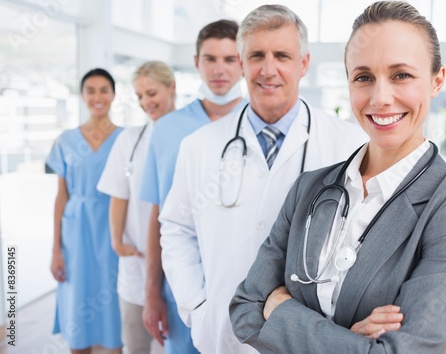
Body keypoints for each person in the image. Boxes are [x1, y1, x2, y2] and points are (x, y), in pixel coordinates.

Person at [229, 2, 446, 353]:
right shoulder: (309, 189)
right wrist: (348, 340)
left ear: (437, 81)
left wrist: (281, 310)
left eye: (401, 75)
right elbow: (245, 310)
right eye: (363, 77)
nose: (380, 98)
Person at [159, 5, 367, 354]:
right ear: (242, 63)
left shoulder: (348, 144)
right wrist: (197, 305)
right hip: (222, 334)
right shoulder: (198, 146)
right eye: (256, 55)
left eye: (282, 55)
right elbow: (177, 229)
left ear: (303, 63)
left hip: (308, 337)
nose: (268, 70)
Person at [139, 20, 246, 353]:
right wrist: (151, 293)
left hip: (246, 289)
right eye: (210, 59)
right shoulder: (169, 128)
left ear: (243, 62)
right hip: (181, 287)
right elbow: (160, 216)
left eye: (230, 59)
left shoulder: (261, 123)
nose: (219, 69)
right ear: (196, 62)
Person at [97, 61, 176, 354]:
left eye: (151, 93)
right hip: (137, 261)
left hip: (180, 263)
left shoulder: (193, 137)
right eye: (139, 96)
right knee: (136, 343)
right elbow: (119, 194)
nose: (146, 103)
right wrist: (118, 242)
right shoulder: (130, 140)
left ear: (172, 87)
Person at [47, 68, 123, 354]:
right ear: (82, 96)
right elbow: (60, 196)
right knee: (77, 309)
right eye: (90, 90)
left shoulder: (126, 139)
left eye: (104, 90)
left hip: (113, 228)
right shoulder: (66, 141)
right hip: (75, 234)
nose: (97, 96)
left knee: (113, 309)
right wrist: (55, 249)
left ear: (114, 95)